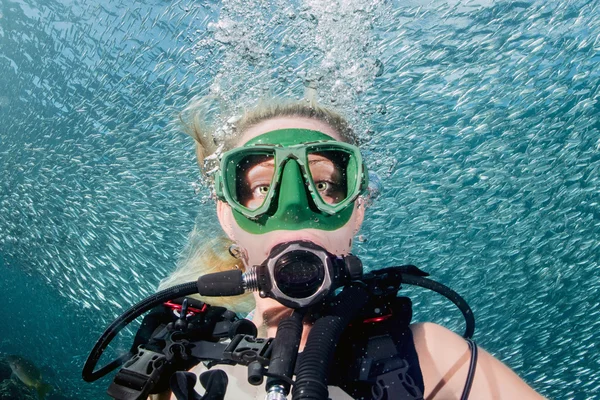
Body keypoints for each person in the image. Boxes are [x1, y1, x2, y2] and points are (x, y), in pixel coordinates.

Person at [153, 96, 545, 400]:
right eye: (260, 187)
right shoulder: (180, 361)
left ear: (356, 213)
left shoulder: (430, 359)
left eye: (323, 185)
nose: (293, 208)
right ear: (228, 216)